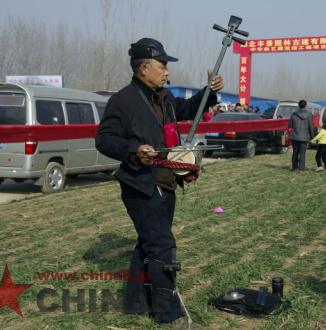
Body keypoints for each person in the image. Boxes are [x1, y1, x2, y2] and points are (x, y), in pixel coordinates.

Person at [95, 37, 223, 327]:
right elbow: (104, 139)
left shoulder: (165, 99)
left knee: (148, 244)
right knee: (163, 246)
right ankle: (171, 317)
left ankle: (136, 304)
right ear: (144, 69)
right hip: (140, 185)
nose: (167, 71)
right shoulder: (123, 101)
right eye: (163, 66)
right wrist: (134, 151)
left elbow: (191, 109)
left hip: (166, 183)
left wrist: (209, 92)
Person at [288, 99, 315, 173]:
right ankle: (301, 169)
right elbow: (311, 127)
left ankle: (294, 167)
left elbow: (290, 125)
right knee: (302, 154)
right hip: (304, 137)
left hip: (295, 136)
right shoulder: (309, 115)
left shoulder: (294, 114)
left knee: (295, 152)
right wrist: (312, 137)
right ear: (305, 106)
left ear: (299, 106)